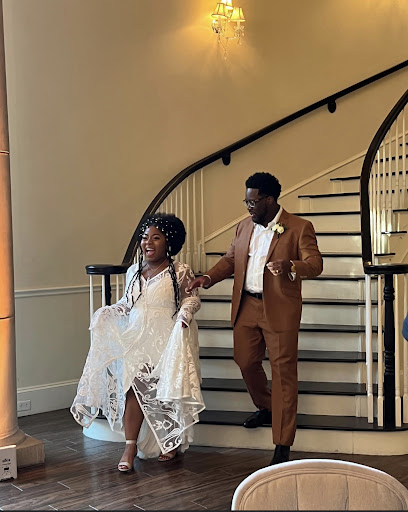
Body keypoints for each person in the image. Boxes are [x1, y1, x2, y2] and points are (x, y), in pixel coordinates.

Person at [187, 172, 323, 465]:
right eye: (246, 201)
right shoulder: (243, 226)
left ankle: (282, 443)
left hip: (280, 309)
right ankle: (266, 406)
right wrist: (207, 278)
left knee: (283, 373)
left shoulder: (300, 227)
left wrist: (291, 266)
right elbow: (231, 260)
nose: (248, 206)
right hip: (246, 305)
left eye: (253, 202)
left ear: (269, 200)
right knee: (245, 361)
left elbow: (315, 264)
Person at [71, 213, 205, 471]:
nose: (148, 243)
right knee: (133, 389)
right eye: (145, 237)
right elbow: (127, 304)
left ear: (169, 241)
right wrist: (108, 312)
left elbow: (192, 298)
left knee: (166, 390)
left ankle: (170, 441)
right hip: (135, 338)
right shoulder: (133, 271)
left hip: (167, 338)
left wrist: (185, 315)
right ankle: (129, 447)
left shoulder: (180, 271)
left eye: (156, 238)